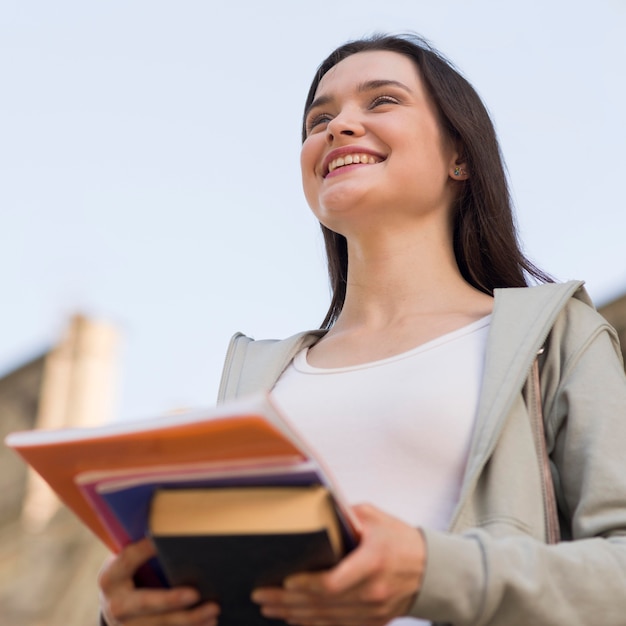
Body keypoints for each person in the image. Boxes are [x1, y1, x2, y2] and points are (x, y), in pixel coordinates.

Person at [98, 33, 626, 626]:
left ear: (461, 156)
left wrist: (433, 572)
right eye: (319, 118)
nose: (338, 126)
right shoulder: (259, 380)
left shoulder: (555, 341)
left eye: (381, 102)